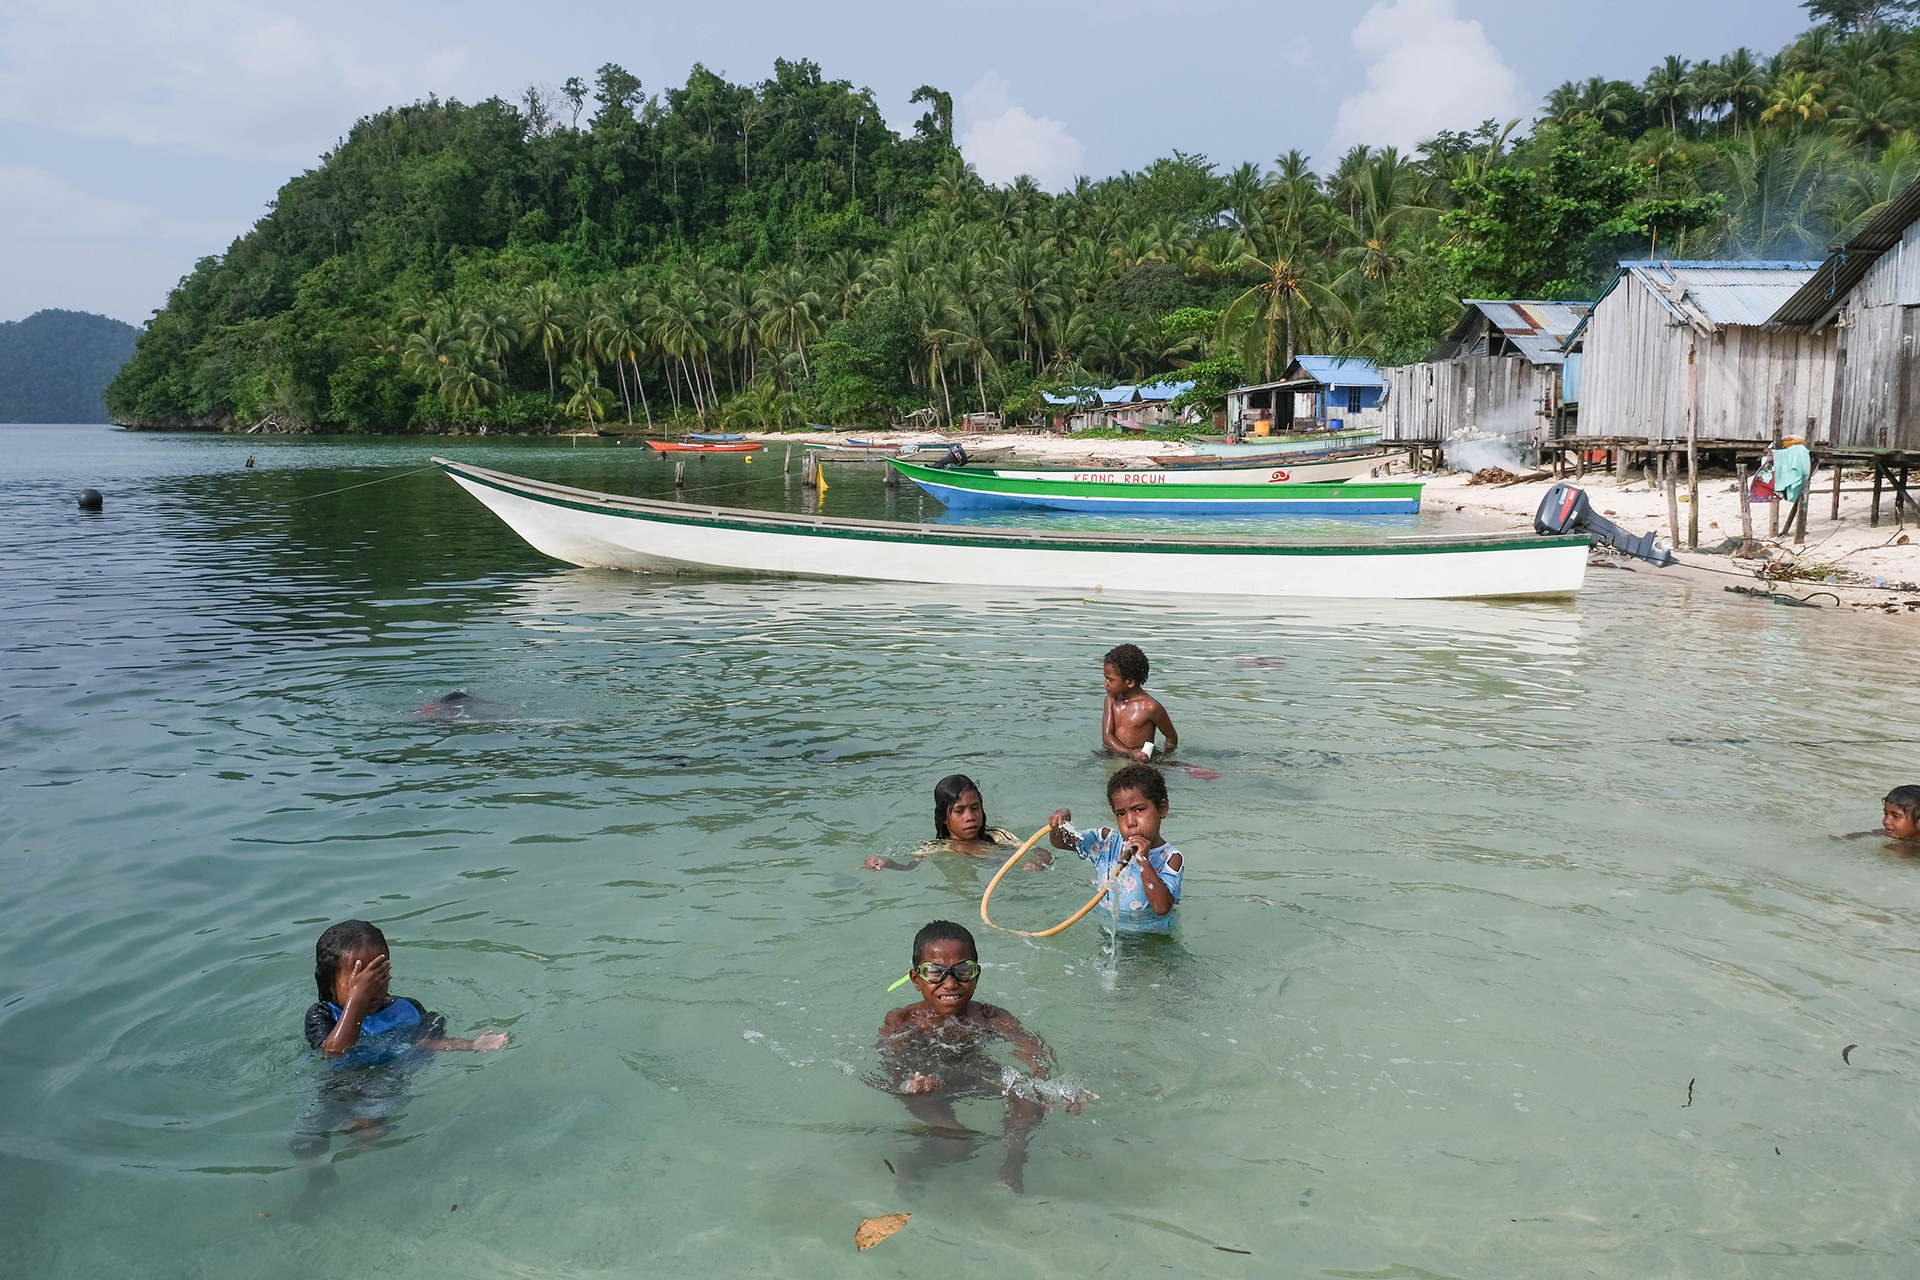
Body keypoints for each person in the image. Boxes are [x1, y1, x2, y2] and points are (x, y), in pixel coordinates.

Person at [289, 921, 509, 1216]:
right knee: (303, 1142)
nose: (370, 990)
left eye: (378, 977)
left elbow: (428, 1043)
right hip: (333, 1083)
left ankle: (378, 1187)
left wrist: (471, 1044)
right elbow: (335, 1051)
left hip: (385, 1078)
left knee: (367, 1134)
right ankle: (319, 1181)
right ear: (329, 984)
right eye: (358, 982)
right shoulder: (321, 1014)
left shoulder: (406, 1009)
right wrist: (356, 1000)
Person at [874, 920, 1092, 1192]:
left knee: (1028, 1098)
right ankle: (914, 1163)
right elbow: (891, 1062)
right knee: (959, 1144)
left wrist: (1052, 1087)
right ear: (917, 980)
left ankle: (1012, 1167)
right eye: (935, 972)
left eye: (962, 971)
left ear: (976, 976)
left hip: (973, 1072)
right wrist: (911, 1084)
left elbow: (1036, 1055)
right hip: (927, 1087)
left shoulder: (991, 1017)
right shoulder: (903, 1020)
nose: (950, 983)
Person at [1048, 763, 1183, 934]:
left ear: (1162, 809)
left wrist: (1143, 861)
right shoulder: (1106, 842)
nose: (1130, 822)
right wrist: (1061, 823)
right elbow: (1061, 842)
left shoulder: (1170, 857)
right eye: (1121, 814)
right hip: (1109, 932)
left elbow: (1161, 908)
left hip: (1151, 940)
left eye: (1139, 810)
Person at [864, 774, 1049, 873]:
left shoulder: (997, 836)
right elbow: (910, 867)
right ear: (944, 818)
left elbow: (1042, 853)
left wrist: (1038, 864)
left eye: (975, 808)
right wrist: (887, 863)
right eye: (959, 811)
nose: (970, 817)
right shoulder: (936, 848)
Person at [1100, 643, 1178, 763]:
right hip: (1114, 753)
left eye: (1110, 679)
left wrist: (1164, 758)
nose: (1105, 683)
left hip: (1140, 760)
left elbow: (1171, 737)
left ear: (1130, 682)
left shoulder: (1150, 707)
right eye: (1105, 678)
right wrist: (1129, 752)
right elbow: (1107, 736)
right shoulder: (1110, 700)